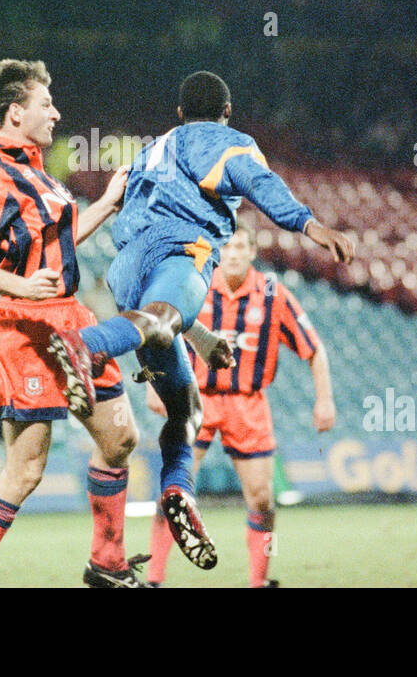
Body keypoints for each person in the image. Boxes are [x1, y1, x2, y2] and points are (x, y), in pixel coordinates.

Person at [49, 70, 355, 571]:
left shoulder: (153, 151)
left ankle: (177, 491)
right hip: (180, 248)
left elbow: (161, 300)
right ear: (227, 112)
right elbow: (258, 181)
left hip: (127, 271)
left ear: (177, 113)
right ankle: (85, 346)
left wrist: (203, 336)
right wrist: (310, 224)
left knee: (187, 406)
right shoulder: (221, 140)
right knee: (163, 320)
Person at [0, 58, 143, 587]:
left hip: (73, 322)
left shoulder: (37, 172)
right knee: (26, 470)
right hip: (25, 327)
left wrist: (108, 202)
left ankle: (106, 563)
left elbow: (64, 243)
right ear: (15, 112)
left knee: (120, 440)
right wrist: (21, 287)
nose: (56, 112)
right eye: (45, 104)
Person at [143, 226, 335, 587]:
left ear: (252, 252)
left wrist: (324, 399)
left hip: (248, 404)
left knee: (263, 499)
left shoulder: (273, 295)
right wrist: (156, 382)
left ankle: (259, 581)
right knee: (173, 495)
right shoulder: (195, 285)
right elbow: (160, 330)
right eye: (226, 247)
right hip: (193, 399)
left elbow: (314, 348)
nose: (232, 254)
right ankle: (154, 579)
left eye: (240, 247)